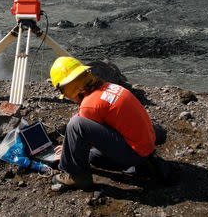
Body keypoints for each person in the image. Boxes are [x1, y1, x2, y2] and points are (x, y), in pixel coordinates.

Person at [49, 56, 157, 190]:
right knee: (92, 157)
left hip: (135, 154)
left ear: (69, 88)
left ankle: (78, 177)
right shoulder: (109, 87)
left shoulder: (89, 105)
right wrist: (69, 147)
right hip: (145, 148)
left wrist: (67, 155)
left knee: (76, 124)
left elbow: (83, 127)